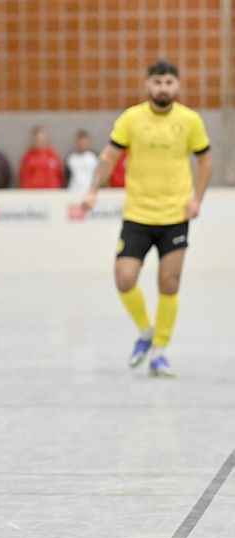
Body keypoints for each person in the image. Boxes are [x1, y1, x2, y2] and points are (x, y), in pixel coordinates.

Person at [81, 60, 211, 377]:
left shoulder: (190, 121)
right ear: (146, 85)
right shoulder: (131, 119)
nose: (163, 88)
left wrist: (197, 199)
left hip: (174, 215)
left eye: (168, 82)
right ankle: (145, 331)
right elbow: (109, 156)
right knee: (124, 277)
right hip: (138, 214)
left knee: (169, 282)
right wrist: (92, 191)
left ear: (177, 86)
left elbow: (205, 161)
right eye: (157, 82)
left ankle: (161, 352)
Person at [65, 129, 98, 195]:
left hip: (90, 193)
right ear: (76, 143)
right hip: (73, 192)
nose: (82, 145)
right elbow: (66, 178)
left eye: (84, 143)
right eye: (80, 143)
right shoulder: (70, 159)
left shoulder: (94, 157)